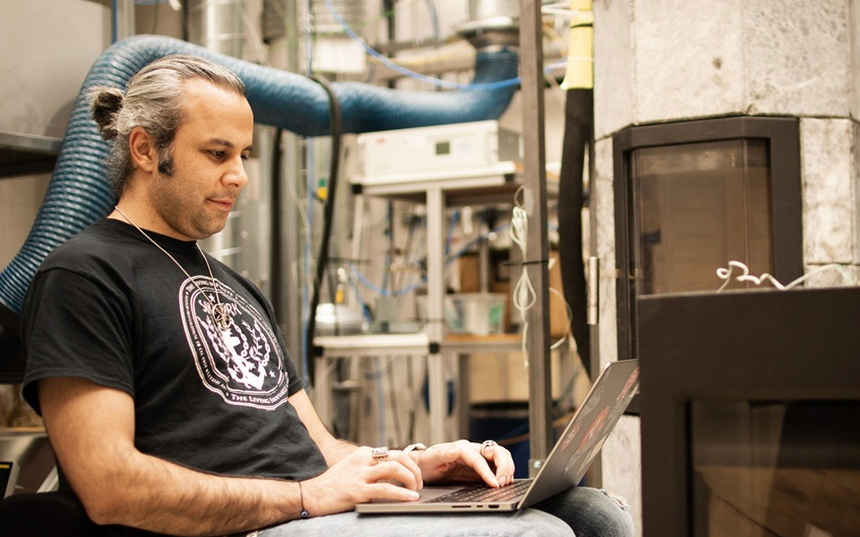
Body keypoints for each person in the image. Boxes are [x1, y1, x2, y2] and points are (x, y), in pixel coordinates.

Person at [20, 55, 633, 537]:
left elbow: (320, 446)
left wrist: (416, 463)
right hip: (255, 525)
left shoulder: (233, 285)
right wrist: (306, 498)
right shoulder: (84, 275)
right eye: (216, 154)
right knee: (536, 535)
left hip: (312, 511)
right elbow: (108, 485)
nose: (239, 175)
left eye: (243, 154)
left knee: (590, 513)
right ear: (147, 149)